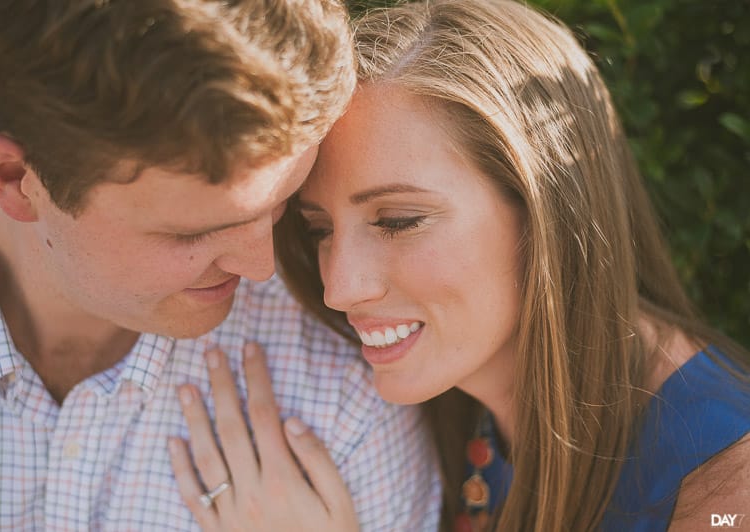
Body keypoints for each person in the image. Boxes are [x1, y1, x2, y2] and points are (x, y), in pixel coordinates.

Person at [169, 0, 750, 530]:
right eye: (319, 229)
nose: (339, 289)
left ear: (548, 210)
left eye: (398, 220)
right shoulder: (448, 410)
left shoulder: (728, 485)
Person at [0, 1, 442, 530]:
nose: (261, 268)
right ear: (12, 177)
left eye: (284, 207)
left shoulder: (344, 396)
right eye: (194, 231)